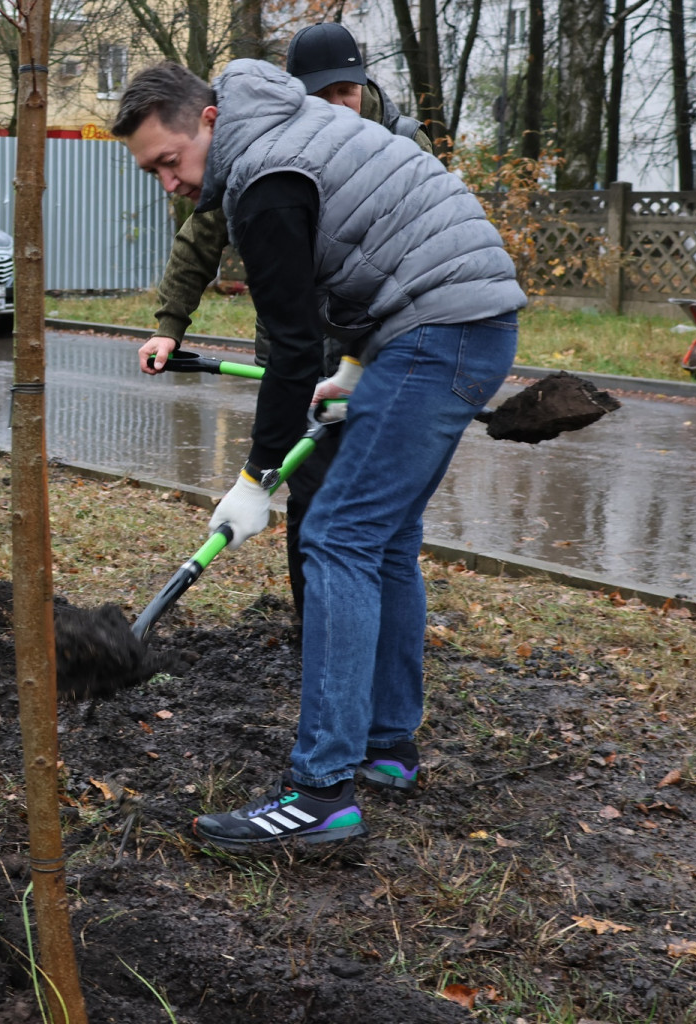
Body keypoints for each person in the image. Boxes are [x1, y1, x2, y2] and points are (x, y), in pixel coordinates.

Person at [113, 59, 524, 851]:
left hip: (441, 328)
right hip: (461, 320)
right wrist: (359, 368)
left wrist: (254, 481)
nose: (168, 183)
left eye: (169, 162)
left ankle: (321, 792)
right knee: (385, 539)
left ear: (206, 121)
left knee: (335, 536)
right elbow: (377, 243)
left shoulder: (262, 179)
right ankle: (387, 746)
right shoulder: (288, 126)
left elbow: (291, 350)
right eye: (151, 173)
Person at [139, 23, 431, 621]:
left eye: (345, 92)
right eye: (319, 95)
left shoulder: (400, 142)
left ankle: (371, 635)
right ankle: (316, 627)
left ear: (363, 85)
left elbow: (430, 243)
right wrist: (171, 323)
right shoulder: (269, 149)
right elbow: (202, 235)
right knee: (312, 493)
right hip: (297, 348)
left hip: (380, 351)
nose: (334, 106)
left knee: (379, 509)